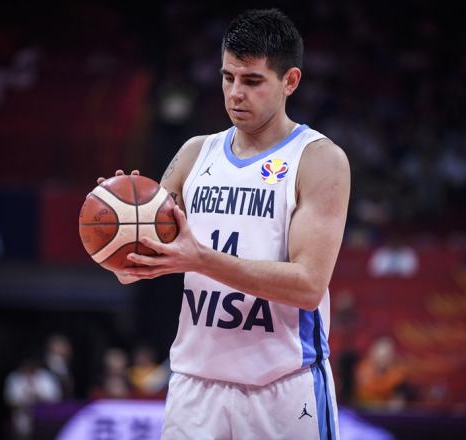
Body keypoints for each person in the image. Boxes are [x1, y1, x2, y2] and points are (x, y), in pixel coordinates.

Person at [98, 8, 350, 439]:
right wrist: (119, 225)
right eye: (228, 77)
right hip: (196, 387)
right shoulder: (196, 154)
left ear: (290, 81)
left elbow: (309, 285)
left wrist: (201, 260)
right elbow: (137, 265)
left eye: (252, 81)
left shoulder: (319, 160)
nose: (235, 93)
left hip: (284, 388)